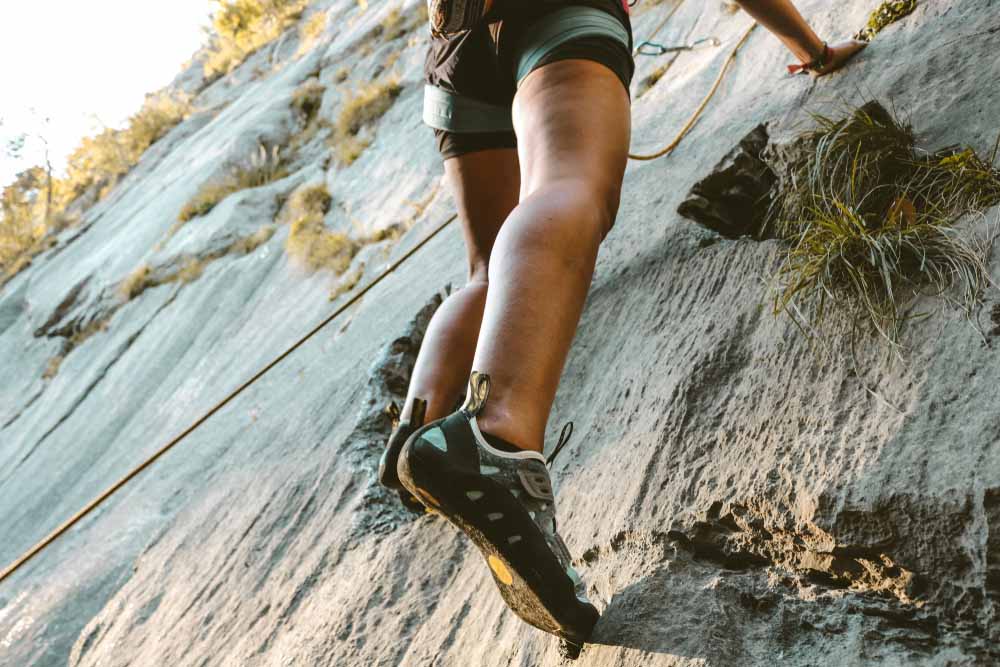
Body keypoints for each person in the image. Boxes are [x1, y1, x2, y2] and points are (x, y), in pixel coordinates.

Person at [378, 0, 866, 646]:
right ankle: (495, 440)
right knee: (569, 179)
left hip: (454, 49)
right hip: (553, 11)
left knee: (485, 269)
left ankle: (416, 444)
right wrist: (811, 47)